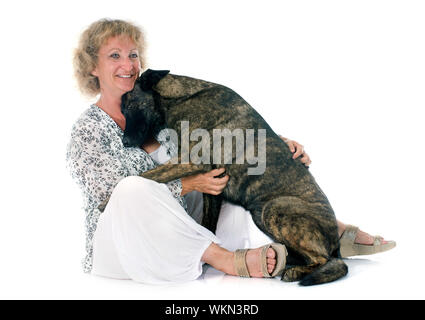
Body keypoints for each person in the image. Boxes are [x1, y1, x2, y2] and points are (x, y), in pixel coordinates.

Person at [66, 18, 395, 284]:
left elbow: (215, 138)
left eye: (133, 54)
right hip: (123, 249)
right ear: (92, 67)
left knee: (238, 170)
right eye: (114, 56)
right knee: (133, 187)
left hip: (178, 231)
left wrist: (273, 147)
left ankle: (323, 228)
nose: (128, 64)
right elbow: (109, 198)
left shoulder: (155, 109)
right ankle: (225, 260)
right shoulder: (88, 129)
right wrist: (191, 183)